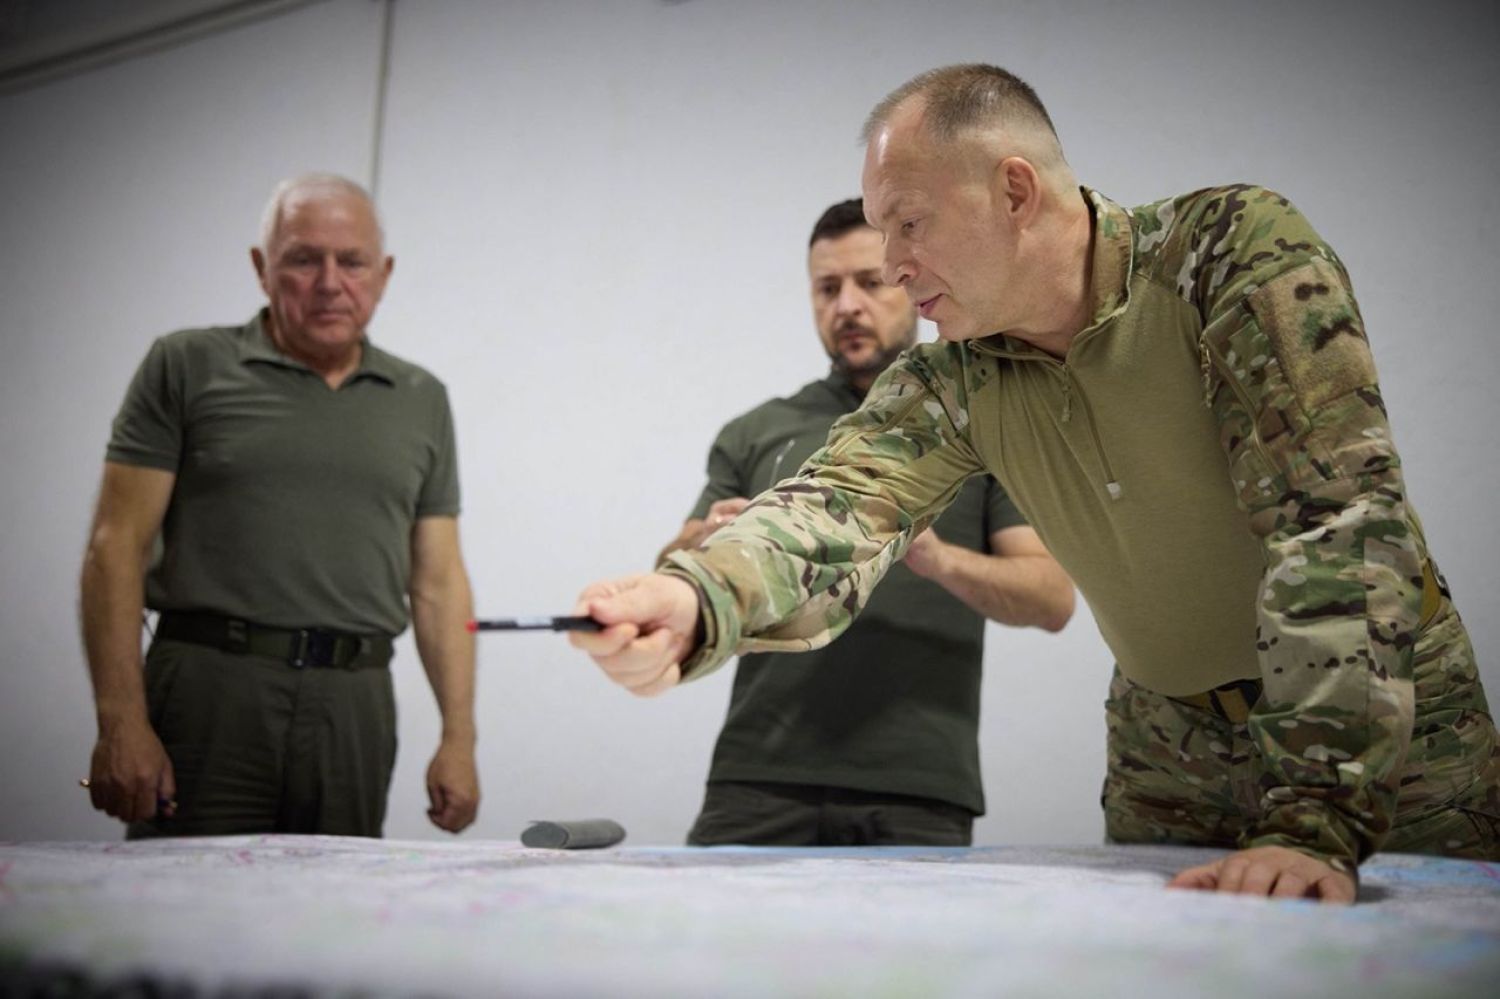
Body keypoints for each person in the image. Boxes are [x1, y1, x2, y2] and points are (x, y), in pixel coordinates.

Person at [571, 65, 1499, 901]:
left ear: (1013, 190)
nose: (891, 264)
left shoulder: (1228, 255)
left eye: (909, 223)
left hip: (1385, 728)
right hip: (1166, 745)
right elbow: (833, 509)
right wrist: (694, 596)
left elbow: (1338, 520)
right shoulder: (956, 375)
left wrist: (1316, 816)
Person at [660, 198, 1074, 846]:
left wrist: (938, 558)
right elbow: (673, 570)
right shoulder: (755, 431)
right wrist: (703, 541)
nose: (846, 305)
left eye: (869, 282)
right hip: (758, 774)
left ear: (908, 282)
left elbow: (1052, 599)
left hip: (917, 782)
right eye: (827, 288)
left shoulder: (982, 423)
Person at [79, 173, 480, 838]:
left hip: (355, 702)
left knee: (335, 922)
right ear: (262, 268)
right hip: (212, 690)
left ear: (382, 274)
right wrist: (121, 720)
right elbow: (113, 546)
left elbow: (439, 581)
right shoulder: (187, 364)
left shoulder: (421, 397)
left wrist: (459, 737)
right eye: (303, 258)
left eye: (351, 261)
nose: (329, 282)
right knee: (189, 913)